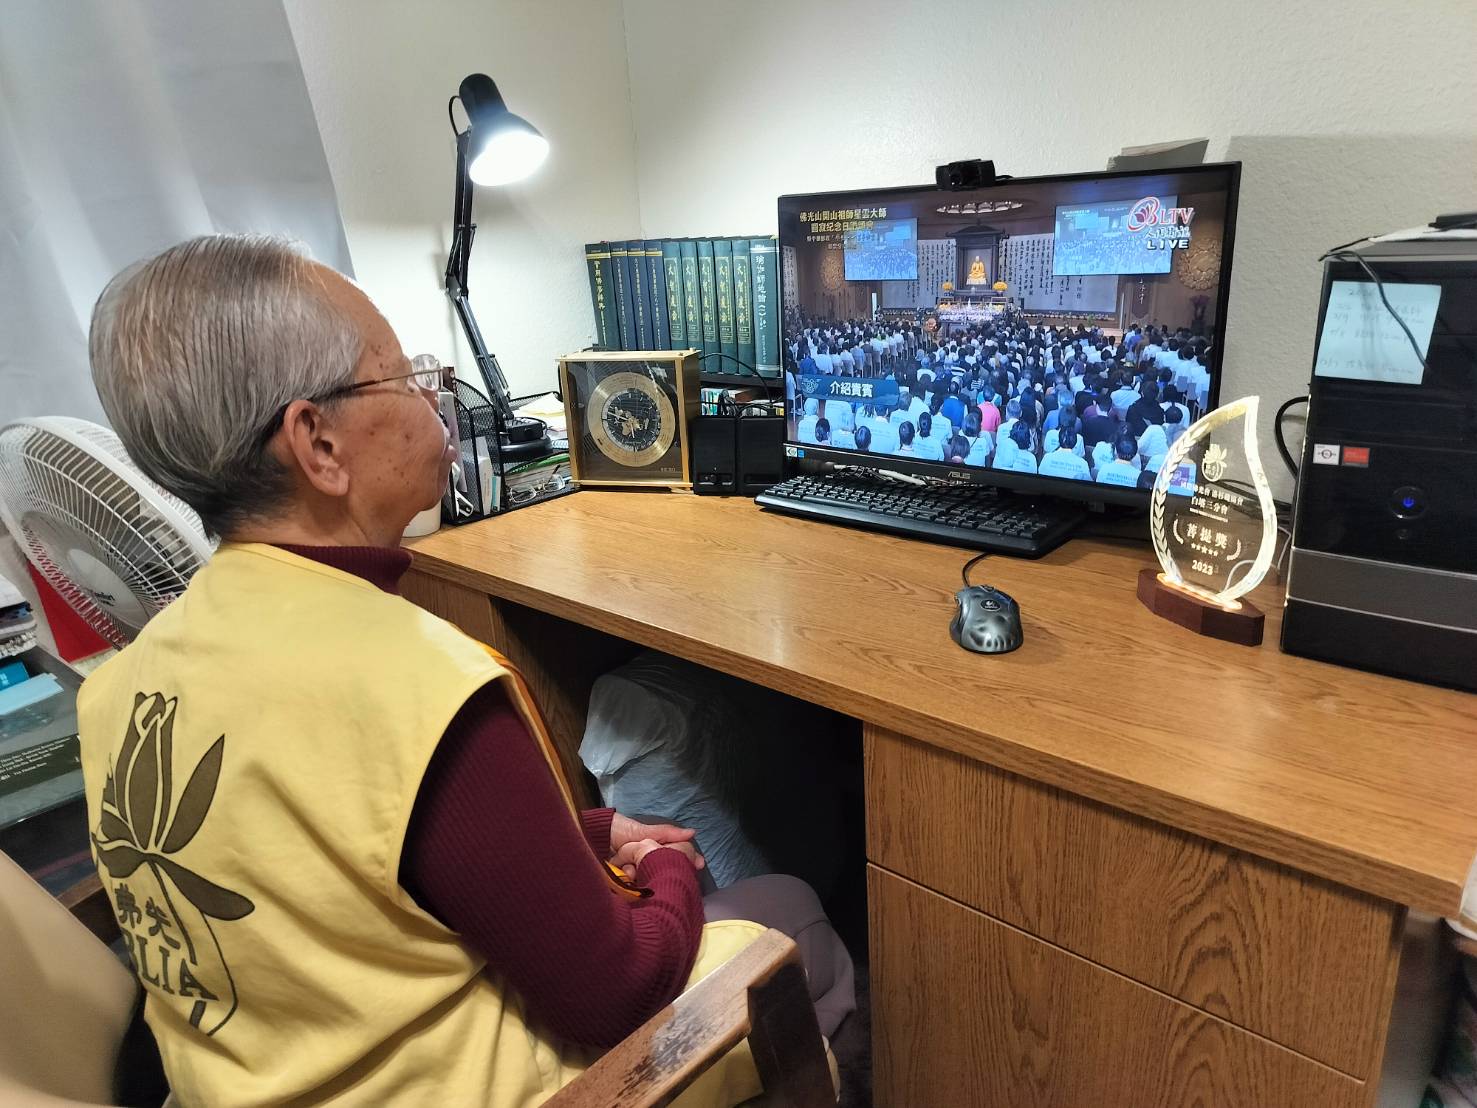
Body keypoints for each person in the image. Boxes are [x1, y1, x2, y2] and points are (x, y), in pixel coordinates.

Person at [77, 235, 852, 1107]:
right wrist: (668, 869)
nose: (427, 401)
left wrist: (591, 836)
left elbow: (320, 865)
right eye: (402, 378)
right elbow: (617, 992)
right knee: (791, 917)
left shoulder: (118, 687)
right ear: (318, 445)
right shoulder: (416, 684)